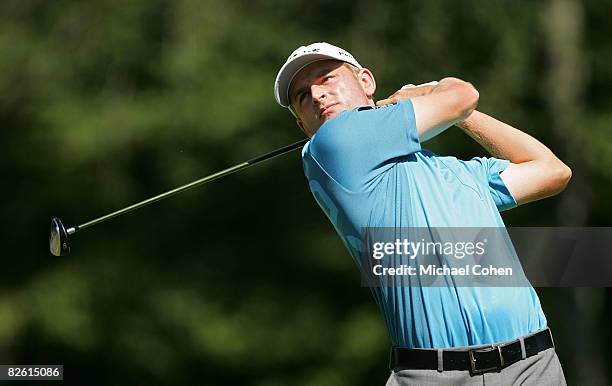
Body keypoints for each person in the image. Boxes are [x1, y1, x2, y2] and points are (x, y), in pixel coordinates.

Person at [274, 42, 570, 385]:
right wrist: (430, 92)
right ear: (303, 126)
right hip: (435, 374)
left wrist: (463, 116)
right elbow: (461, 95)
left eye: (326, 79)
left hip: (533, 364)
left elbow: (551, 171)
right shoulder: (331, 143)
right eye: (302, 97)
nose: (317, 95)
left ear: (366, 82)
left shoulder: (456, 172)